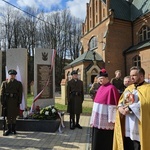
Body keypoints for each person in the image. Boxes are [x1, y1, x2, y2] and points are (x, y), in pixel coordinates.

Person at [113, 66, 150, 150]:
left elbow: (146, 103)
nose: (131, 78)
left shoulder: (148, 89)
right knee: (128, 144)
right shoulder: (129, 88)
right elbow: (121, 101)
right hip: (128, 124)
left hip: (139, 125)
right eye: (130, 75)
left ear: (141, 76)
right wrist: (120, 108)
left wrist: (130, 108)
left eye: (134, 75)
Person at [90, 69, 120, 150]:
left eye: (102, 78)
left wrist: (112, 120)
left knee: (105, 142)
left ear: (107, 79)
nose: (100, 80)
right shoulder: (100, 87)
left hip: (106, 122)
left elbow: (113, 106)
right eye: (99, 78)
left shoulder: (111, 88)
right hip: (97, 121)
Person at [0, 69, 23, 136]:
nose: (12, 76)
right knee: (8, 116)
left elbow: (20, 93)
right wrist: (2, 102)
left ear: (15, 76)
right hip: (7, 101)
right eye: (11, 75)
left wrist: (19, 101)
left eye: (13, 75)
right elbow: (1, 93)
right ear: (9, 75)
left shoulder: (18, 83)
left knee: (14, 116)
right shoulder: (4, 83)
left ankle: (13, 129)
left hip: (15, 101)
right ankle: (8, 129)